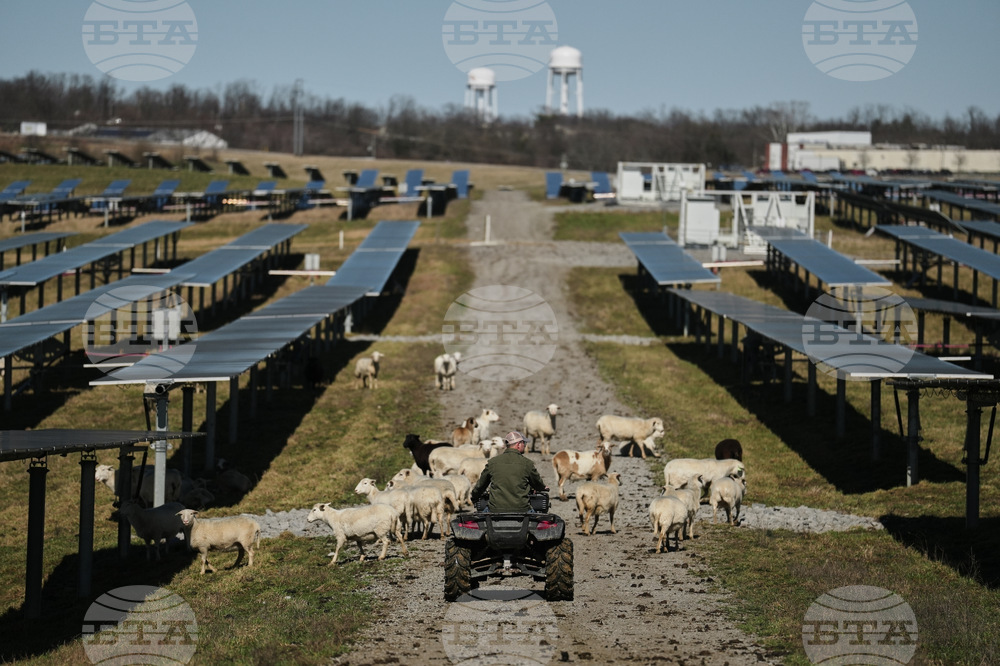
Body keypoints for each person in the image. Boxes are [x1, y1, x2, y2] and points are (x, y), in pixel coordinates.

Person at [470, 430, 548, 512]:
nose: (525, 446)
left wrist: (474, 497)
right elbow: (537, 483)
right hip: (522, 509)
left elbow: (481, 485)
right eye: (524, 443)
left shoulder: (493, 462)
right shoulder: (527, 463)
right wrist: (543, 487)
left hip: (495, 509)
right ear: (518, 444)